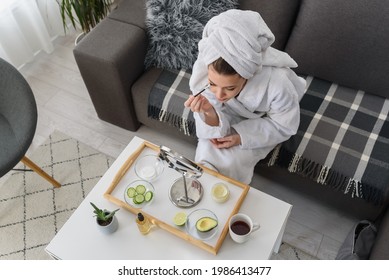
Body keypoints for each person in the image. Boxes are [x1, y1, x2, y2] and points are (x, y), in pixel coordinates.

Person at [184, 9, 306, 184]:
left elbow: (283, 125)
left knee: (232, 159)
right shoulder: (208, 62)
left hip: (263, 122)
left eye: (230, 87)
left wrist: (241, 136)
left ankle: (229, 195)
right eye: (212, 84)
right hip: (226, 114)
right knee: (207, 151)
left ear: (248, 77)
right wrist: (209, 111)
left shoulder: (278, 84)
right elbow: (211, 111)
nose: (219, 95)